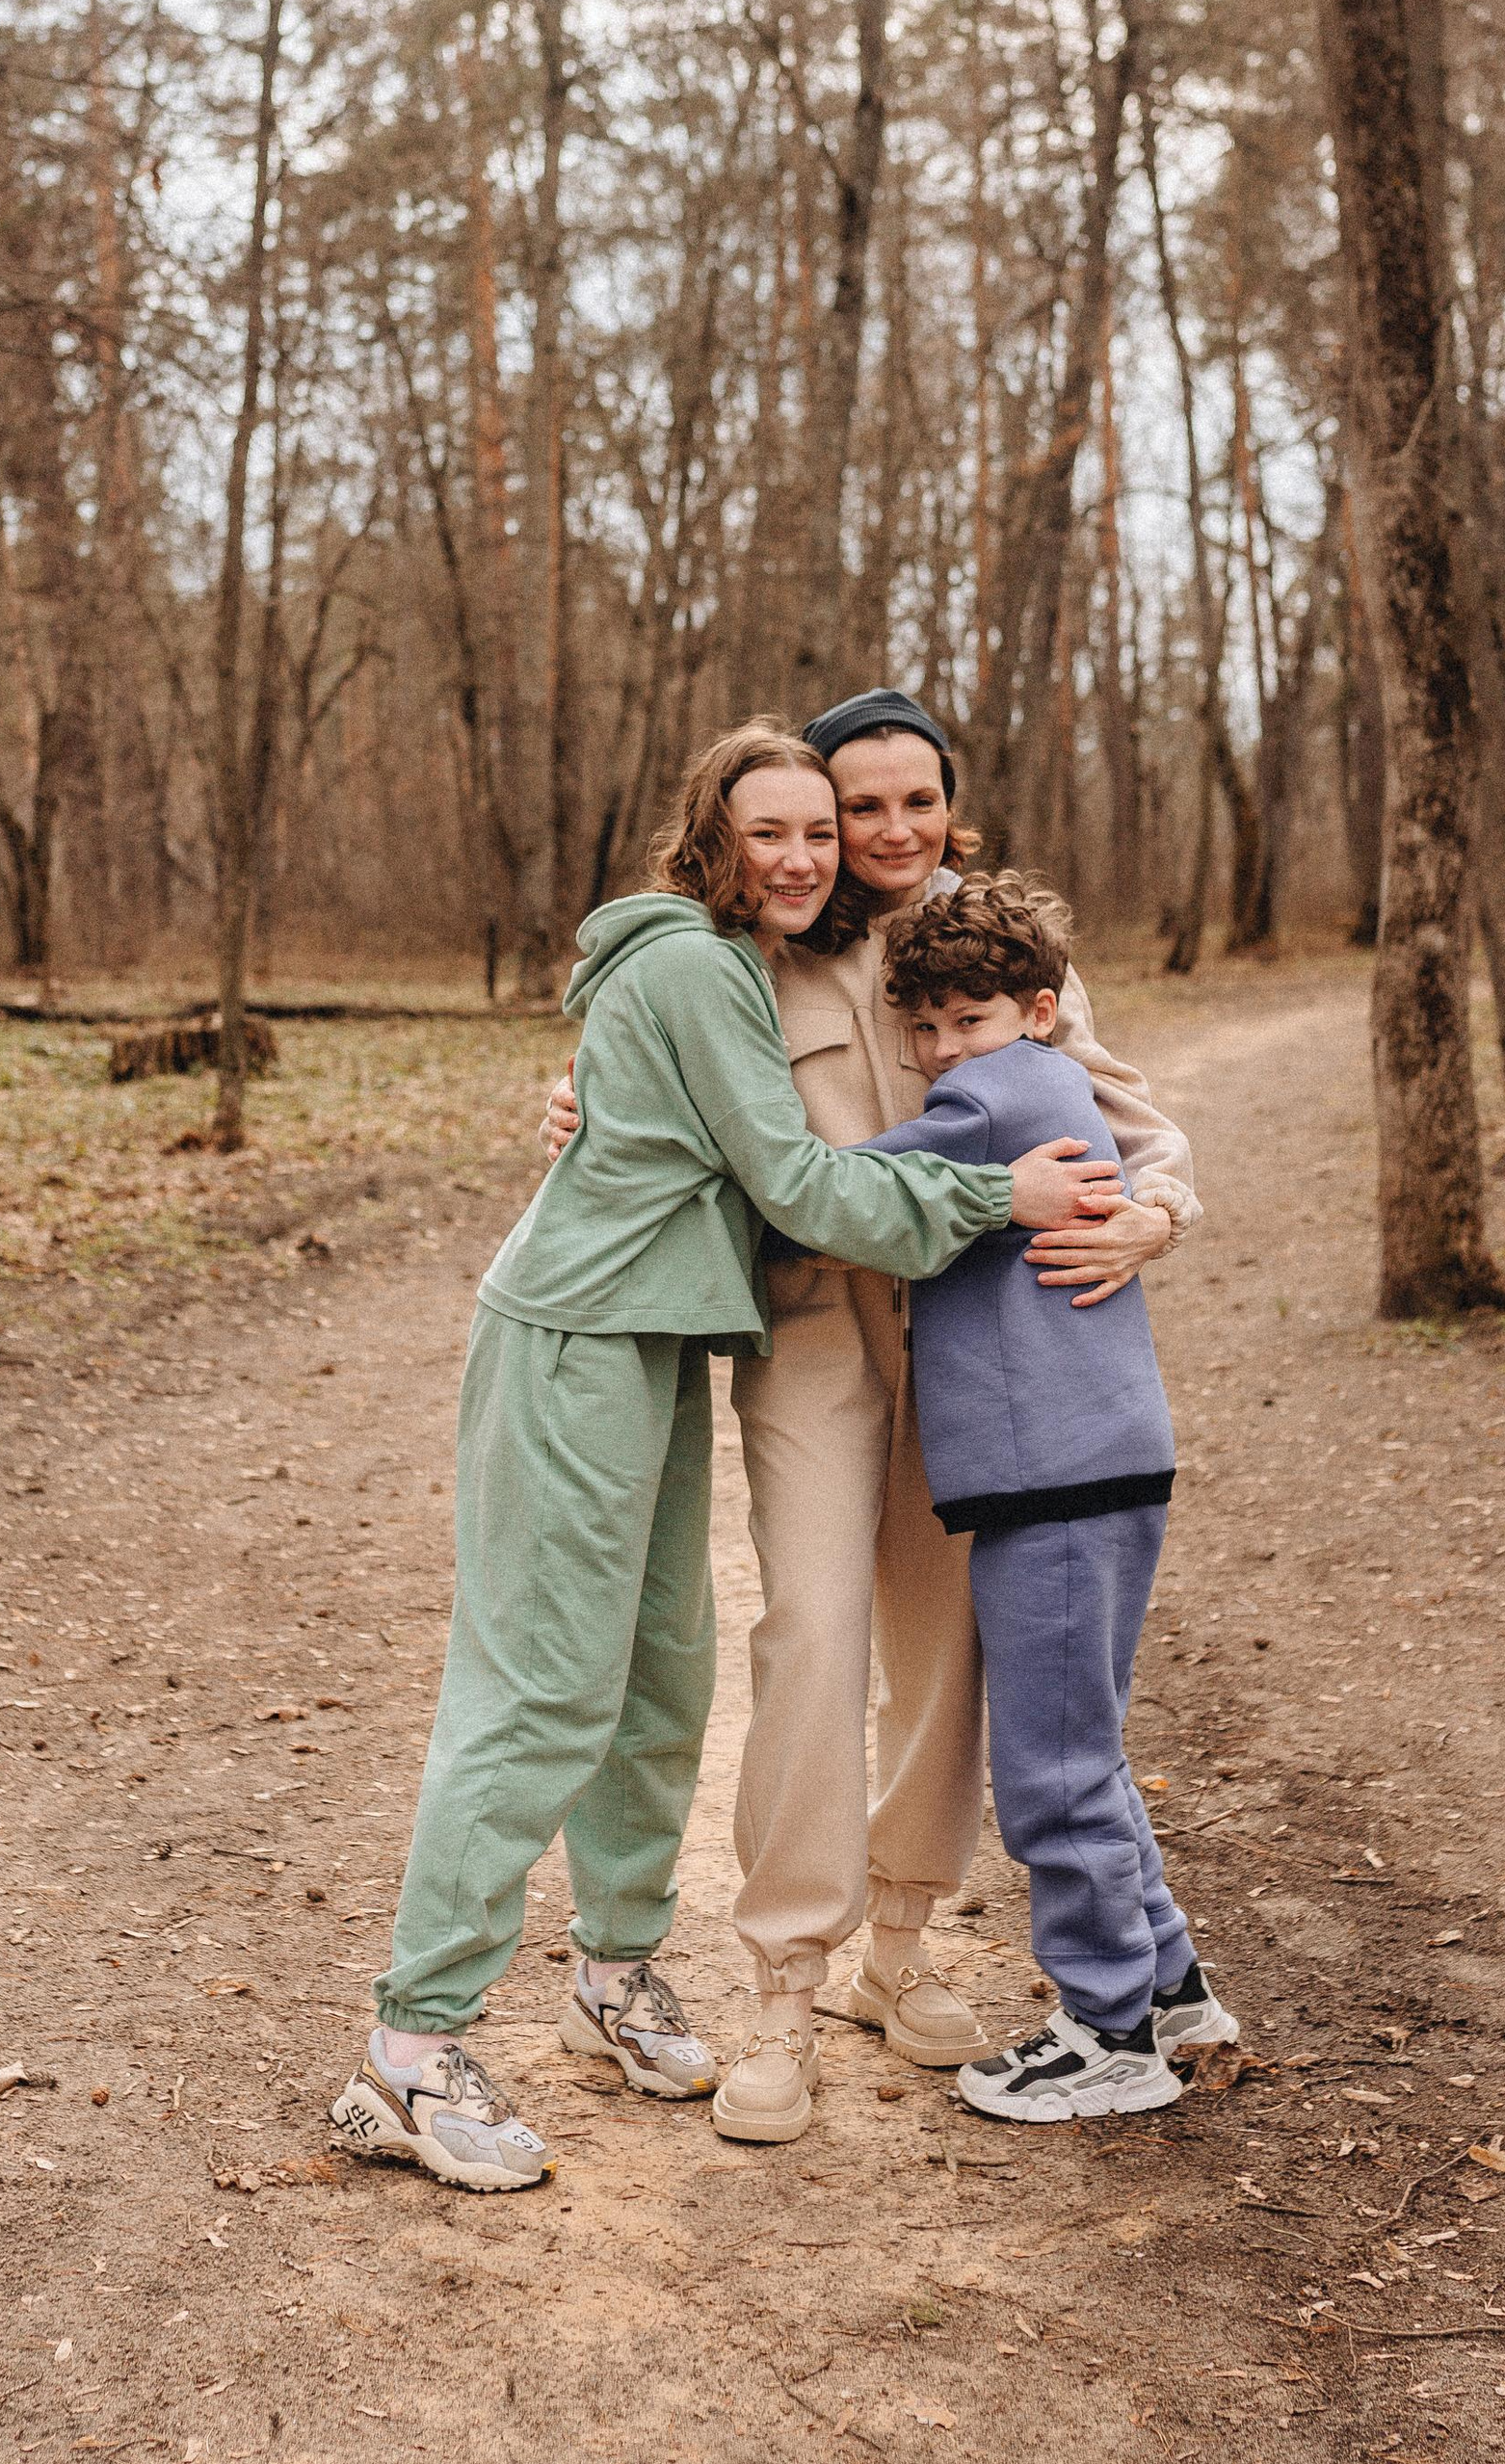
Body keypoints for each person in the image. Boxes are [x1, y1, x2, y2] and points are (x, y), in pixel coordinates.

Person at [330, 723, 1112, 2193]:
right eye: (777, 832)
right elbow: (802, 1184)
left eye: (825, 831)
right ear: (716, 840)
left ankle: (615, 1976)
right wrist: (995, 1195)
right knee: (549, 1688)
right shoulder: (701, 967)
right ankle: (409, 2051)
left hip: (662, 1339)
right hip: (574, 1334)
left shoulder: (770, 962)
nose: (810, 855)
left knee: (661, 1672)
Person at [541, 685, 1199, 2146]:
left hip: (979, 1341)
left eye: (915, 805)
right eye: (854, 812)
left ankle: (897, 1951)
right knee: (818, 1632)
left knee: (948, 1640)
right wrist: (581, 1103)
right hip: (817, 1331)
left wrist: (1152, 1217)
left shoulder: (992, 944)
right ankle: (783, 1980)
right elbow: (657, 1085)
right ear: (809, 825)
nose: (881, 835)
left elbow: (1126, 1122)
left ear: (948, 811)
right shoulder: (741, 951)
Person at [864, 874, 1237, 2122]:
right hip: (1091, 1464)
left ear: (1037, 1010)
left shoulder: (993, 1096)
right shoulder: (1037, 1082)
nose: (936, 1049)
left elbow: (847, 1198)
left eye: (966, 1018)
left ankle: (1107, 2032)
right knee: (1088, 1749)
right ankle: (1171, 1988)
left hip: (1057, 1478)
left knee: (1051, 1772)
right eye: (919, 1026)